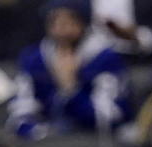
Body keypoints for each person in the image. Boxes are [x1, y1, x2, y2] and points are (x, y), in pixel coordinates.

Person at [7, 0, 132, 138]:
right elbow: (19, 115)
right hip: (45, 140)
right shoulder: (34, 59)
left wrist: (70, 87)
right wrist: (41, 133)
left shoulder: (105, 58)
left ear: (83, 23)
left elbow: (110, 118)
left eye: (70, 21)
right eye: (55, 22)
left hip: (92, 140)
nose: (62, 29)